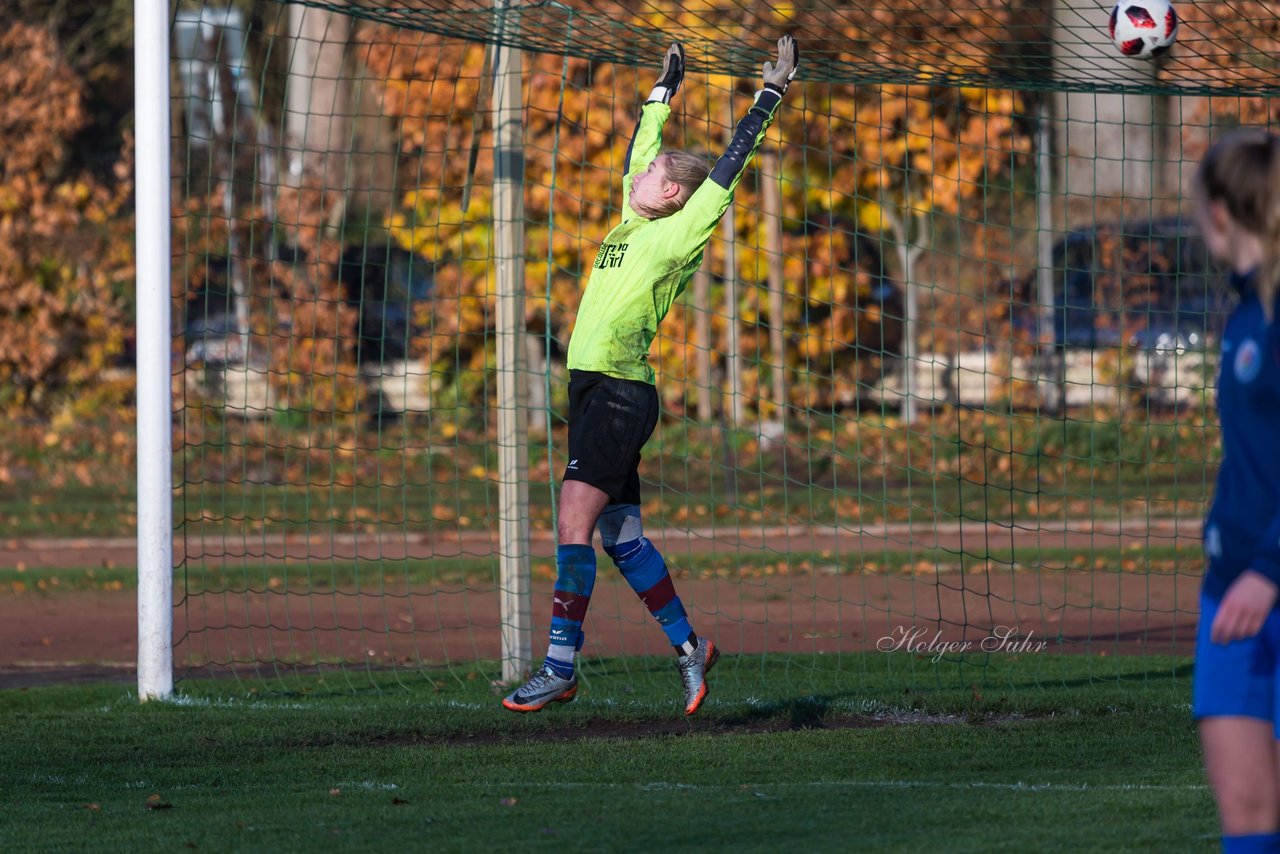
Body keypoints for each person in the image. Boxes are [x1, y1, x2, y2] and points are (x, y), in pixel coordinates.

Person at [502, 34, 800, 716]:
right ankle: (690, 647)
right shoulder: (632, 221)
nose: (631, 175)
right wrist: (664, 89)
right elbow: (642, 145)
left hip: (618, 393)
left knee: (574, 519)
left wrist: (769, 96)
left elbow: (724, 174)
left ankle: (558, 667)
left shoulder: (674, 232)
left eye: (648, 173)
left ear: (669, 192)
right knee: (621, 536)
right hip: (594, 391)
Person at [1192, 128, 1280, 854]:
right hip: (1229, 591)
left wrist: (1271, 569)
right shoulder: (1245, 313)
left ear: (1222, 211)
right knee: (1247, 821)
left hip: (1267, 583)